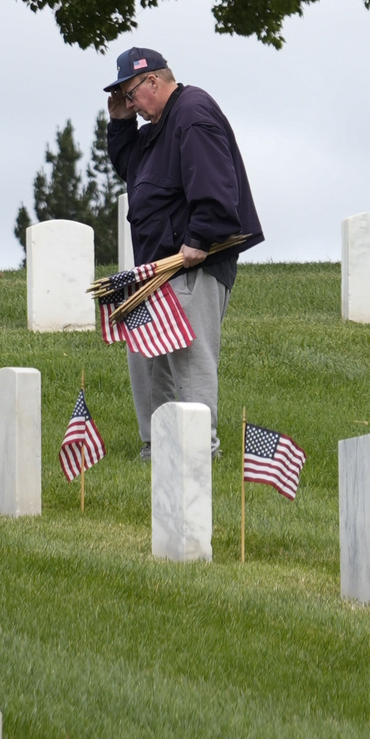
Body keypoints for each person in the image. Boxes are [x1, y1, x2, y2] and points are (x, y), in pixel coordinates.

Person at [101, 45, 263, 450]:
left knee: (190, 360)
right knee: (145, 357)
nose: (129, 103)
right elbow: (133, 171)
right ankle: (156, 447)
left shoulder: (191, 111)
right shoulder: (158, 126)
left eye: (130, 93)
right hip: (155, 270)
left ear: (153, 80)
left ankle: (198, 447)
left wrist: (199, 239)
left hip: (193, 264)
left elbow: (213, 180)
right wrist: (120, 124)